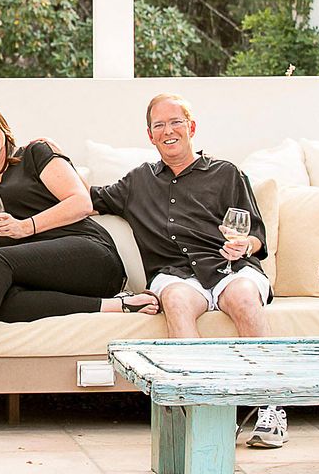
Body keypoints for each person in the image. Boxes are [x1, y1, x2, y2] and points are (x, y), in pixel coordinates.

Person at [91, 93, 286, 449]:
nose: (168, 131)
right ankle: (204, 409)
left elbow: (256, 234)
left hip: (230, 267)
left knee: (244, 297)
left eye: (175, 122)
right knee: (177, 301)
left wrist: (245, 246)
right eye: (159, 125)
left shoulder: (227, 173)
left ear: (191, 127)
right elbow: (85, 199)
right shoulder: (138, 181)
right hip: (176, 274)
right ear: (150, 135)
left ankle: (270, 406)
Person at [0, 97, 158, 362]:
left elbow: (81, 202)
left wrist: (25, 227)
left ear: (0, 124)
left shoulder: (34, 154)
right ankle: (118, 305)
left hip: (91, 255)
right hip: (49, 275)